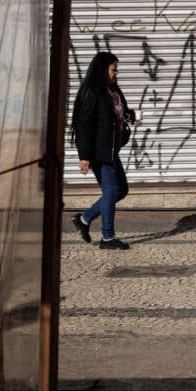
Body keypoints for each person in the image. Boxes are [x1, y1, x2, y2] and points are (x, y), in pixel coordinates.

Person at [70, 52, 134, 250]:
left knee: (121, 189)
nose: (117, 74)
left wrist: (130, 115)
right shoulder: (91, 91)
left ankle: (84, 218)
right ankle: (107, 238)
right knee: (110, 191)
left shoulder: (112, 90)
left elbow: (121, 112)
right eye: (114, 70)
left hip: (111, 149)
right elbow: (83, 125)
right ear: (102, 69)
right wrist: (84, 156)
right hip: (99, 151)